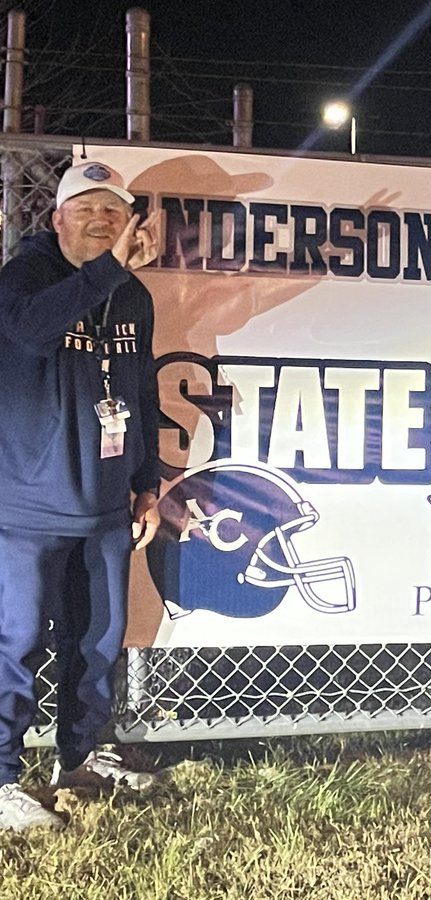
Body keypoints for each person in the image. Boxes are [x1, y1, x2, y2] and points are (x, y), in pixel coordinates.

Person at [0, 161, 163, 830]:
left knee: (97, 643)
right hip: (24, 507)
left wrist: (147, 483)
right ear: (57, 217)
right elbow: (31, 331)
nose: (102, 220)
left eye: (114, 211)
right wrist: (107, 271)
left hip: (104, 504)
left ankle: (79, 757)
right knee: (13, 642)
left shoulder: (133, 296)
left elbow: (141, 390)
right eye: (87, 208)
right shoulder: (24, 277)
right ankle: (2, 780)